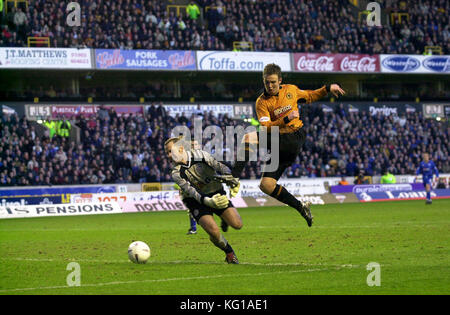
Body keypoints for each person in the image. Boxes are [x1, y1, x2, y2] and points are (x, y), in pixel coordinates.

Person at [231, 63, 345, 227]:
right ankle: (301, 207)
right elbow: (266, 127)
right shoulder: (261, 102)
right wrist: (285, 118)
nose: (270, 86)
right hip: (278, 142)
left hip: (293, 137)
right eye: (267, 82)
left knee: (249, 137)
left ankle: (234, 177)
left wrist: (327, 88)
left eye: (273, 82)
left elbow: (310, 96)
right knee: (266, 185)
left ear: (280, 81)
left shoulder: (291, 90)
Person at [164, 136, 242, 264]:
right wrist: (207, 201)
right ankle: (229, 252)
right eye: (166, 153)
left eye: (170, 151)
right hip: (195, 201)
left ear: (181, 148)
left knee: (237, 224)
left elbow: (219, 166)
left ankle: (224, 218)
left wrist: (232, 178)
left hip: (215, 191)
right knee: (214, 232)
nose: (168, 155)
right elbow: (192, 192)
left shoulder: (200, 155)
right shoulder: (176, 173)